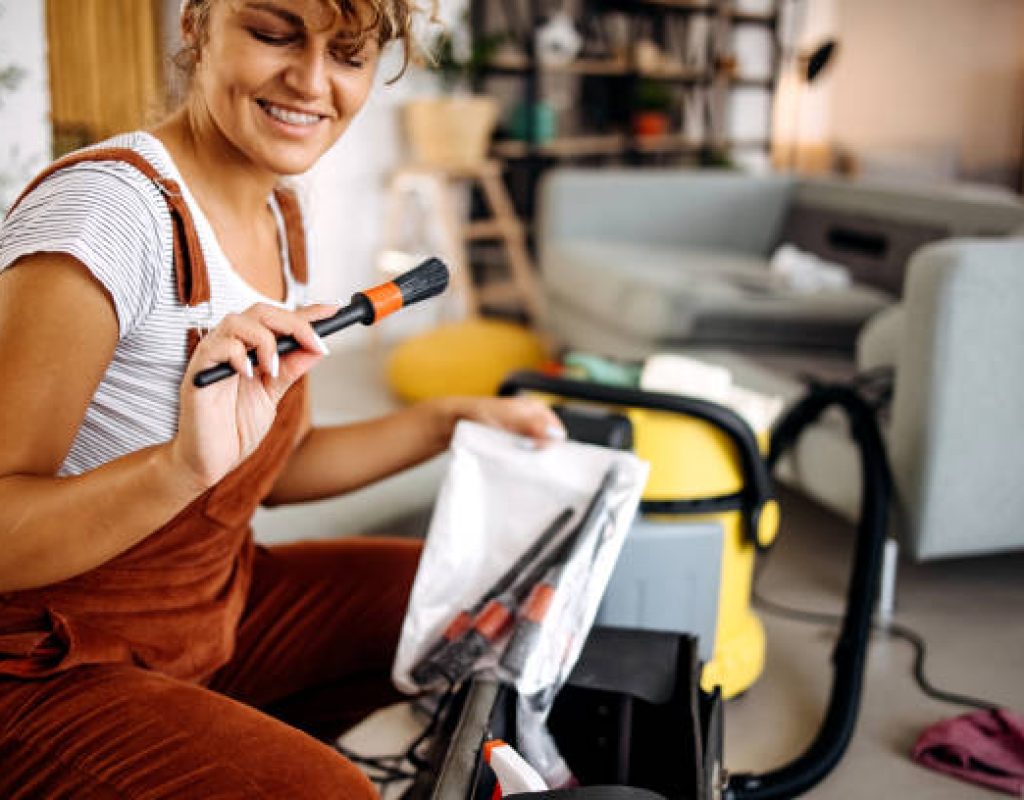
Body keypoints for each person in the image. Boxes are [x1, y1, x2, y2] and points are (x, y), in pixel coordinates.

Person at [0, 0, 563, 796]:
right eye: (273, 34)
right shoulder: (107, 211)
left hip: (206, 613)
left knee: (476, 597)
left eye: (350, 54)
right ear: (196, 24)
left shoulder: (280, 210)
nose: (310, 81)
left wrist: (449, 420)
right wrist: (176, 469)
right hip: (44, 663)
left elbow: (279, 463)